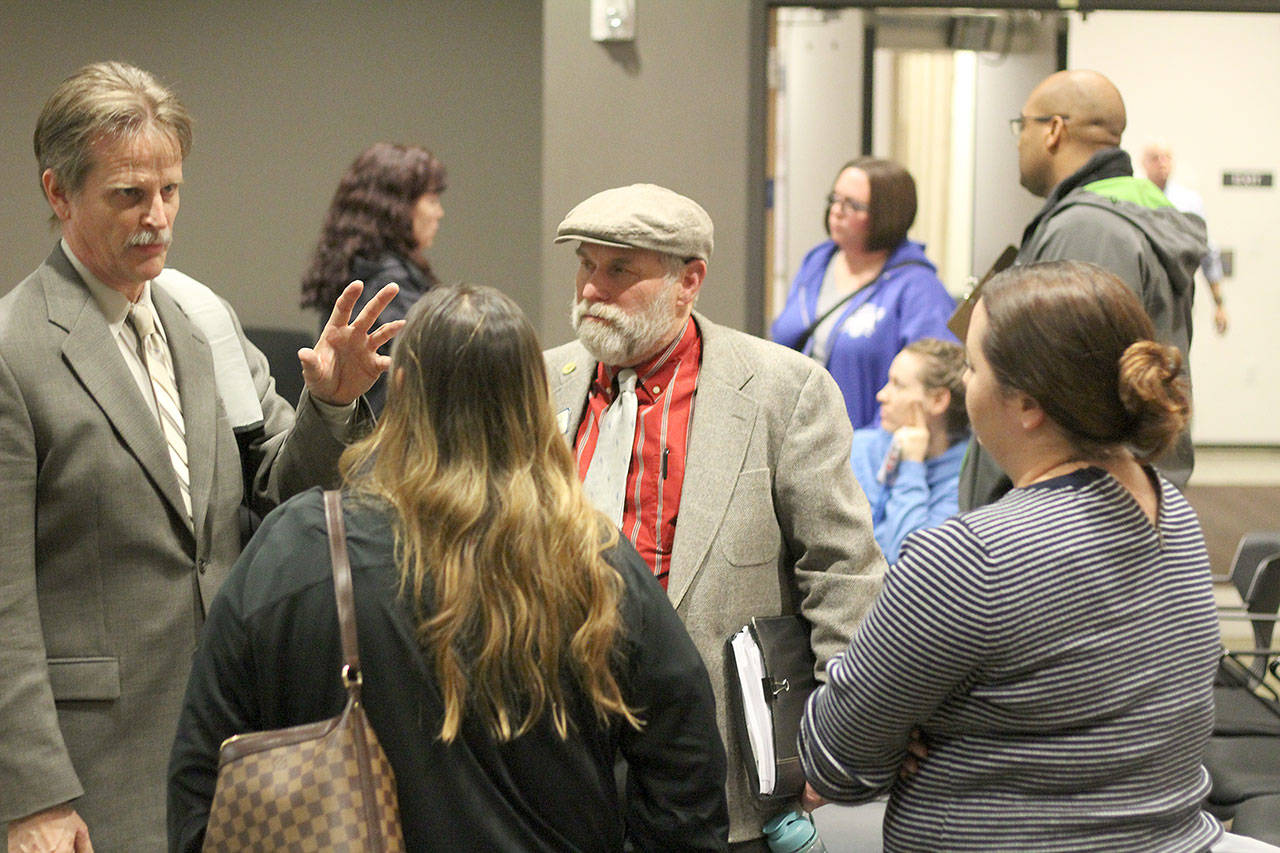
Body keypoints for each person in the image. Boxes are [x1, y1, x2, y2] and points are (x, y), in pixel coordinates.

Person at [168, 284, 729, 852]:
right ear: (535, 403)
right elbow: (688, 775)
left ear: (403, 390)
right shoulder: (597, 565)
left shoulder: (299, 549)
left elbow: (204, 768)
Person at [0, 62, 401, 851]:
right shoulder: (15, 351)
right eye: (128, 195)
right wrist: (32, 795)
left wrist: (329, 404)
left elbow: (281, 494)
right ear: (58, 193)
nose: (157, 217)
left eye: (171, 191)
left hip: (233, 749)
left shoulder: (195, 320)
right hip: (92, 774)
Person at [798, 260, 1227, 851]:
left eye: (973, 366)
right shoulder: (1171, 510)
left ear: (1026, 405)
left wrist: (907, 723)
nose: (966, 384)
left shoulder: (969, 557)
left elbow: (836, 761)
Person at [544, 183, 886, 848]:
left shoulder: (783, 390)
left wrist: (834, 728)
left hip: (718, 758)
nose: (592, 288)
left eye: (619, 270)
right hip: (564, 747)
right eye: (587, 264)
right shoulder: (548, 377)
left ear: (688, 280)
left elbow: (844, 569)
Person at [959, 69, 1207, 511]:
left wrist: (999, 518)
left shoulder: (1089, 230)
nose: (1018, 141)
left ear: (1053, 129)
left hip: (1068, 519)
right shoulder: (1116, 216)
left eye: (1023, 125)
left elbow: (1063, 393)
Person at [770, 157, 957, 431]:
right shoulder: (818, 261)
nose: (836, 211)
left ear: (887, 215)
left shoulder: (919, 289)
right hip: (795, 436)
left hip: (863, 453)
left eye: (852, 205)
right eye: (835, 199)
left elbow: (932, 387)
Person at [300, 142, 447, 412]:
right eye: (432, 200)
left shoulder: (355, 268)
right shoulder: (391, 286)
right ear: (397, 208)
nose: (439, 213)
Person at [850, 337, 969, 564]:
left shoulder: (963, 481)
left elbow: (910, 562)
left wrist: (911, 465)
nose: (882, 396)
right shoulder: (859, 449)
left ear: (937, 400)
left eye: (898, 385)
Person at [1142, 140, 1229, 335]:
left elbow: (1207, 252)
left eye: (1167, 157)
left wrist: (1219, 304)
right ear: (1144, 163)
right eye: (1155, 158)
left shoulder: (1189, 202)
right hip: (1143, 296)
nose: (1162, 163)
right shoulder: (1133, 199)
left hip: (1178, 297)